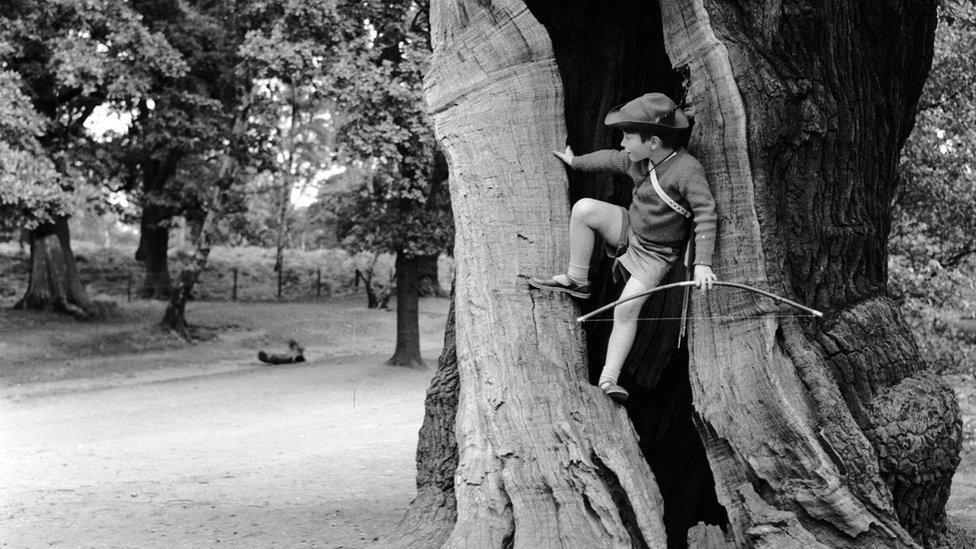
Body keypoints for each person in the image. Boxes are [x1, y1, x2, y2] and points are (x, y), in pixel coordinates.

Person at [529, 92, 717, 403]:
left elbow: (706, 213)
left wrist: (703, 263)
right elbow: (610, 159)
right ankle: (578, 279)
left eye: (629, 137)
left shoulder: (687, 170)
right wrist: (576, 162)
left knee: (625, 309)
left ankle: (609, 378)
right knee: (585, 209)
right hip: (630, 228)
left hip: (656, 255)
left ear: (653, 141)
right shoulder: (639, 161)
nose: (623, 143)